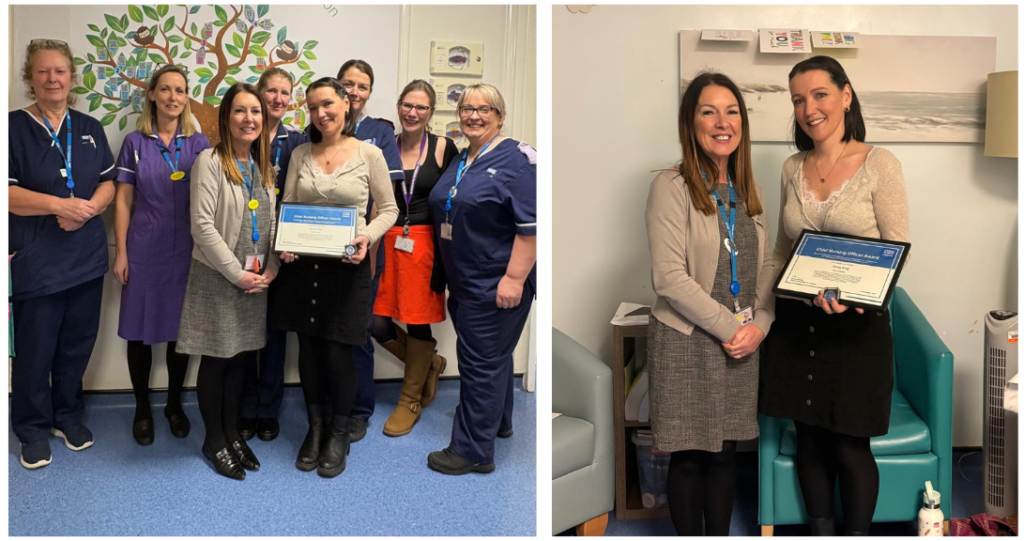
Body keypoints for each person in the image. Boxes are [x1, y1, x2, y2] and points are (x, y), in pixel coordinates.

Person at [759, 56, 909, 536]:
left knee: (849, 444)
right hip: (797, 326)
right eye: (798, 100)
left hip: (857, 328)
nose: (809, 109)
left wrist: (856, 299)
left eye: (819, 94)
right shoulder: (791, 167)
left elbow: (897, 249)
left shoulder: (880, 164)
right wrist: (761, 310)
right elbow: (781, 250)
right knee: (808, 438)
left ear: (845, 96)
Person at [644, 71, 774, 536]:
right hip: (688, 341)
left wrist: (759, 325)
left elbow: (766, 271)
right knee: (690, 456)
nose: (723, 122)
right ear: (690, 122)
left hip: (742, 343)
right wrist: (732, 328)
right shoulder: (671, 185)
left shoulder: (748, 191)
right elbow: (668, 277)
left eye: (732, 111)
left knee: (725, 453)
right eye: (709, 111)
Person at [272, 77, 398, 477]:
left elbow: (389, 209)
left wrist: (367, 237)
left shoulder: (369, 154)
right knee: (309, 350)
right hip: (303, 268)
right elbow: (289, 204)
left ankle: (339, 432)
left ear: (346, 103)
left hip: (347, 267)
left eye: (327, 103)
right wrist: (284, 242)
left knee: (338, 352)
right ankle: (315, 428)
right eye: (312, 107)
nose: (320, 113)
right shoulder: (300, 154)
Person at [9, 39, 116, 469]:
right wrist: (60, 206)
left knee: (76, 345)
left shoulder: (89, 126)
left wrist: (89, 209)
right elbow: (8, 194)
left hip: (86, 258)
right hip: (37, 261)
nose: (52, 79)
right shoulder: (12, 128)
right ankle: (32, 429)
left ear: (72, 77)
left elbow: (109, 181)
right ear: (30, 78)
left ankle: (67, 416)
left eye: (60, 71)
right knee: (36, 350)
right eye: (43, 71)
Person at [426, 83, 536, 475]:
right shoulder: (463, 158)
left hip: (495, 282)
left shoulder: (520, 161)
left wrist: (514, 279)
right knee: (491, 357)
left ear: (500, 116)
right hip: (465, 279)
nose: (474, 116)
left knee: (479, 364)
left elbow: (531, 228)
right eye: (466, 109)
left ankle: (472, 450)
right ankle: (499, 421)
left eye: (484, 109)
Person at [175, 83, 280, 481]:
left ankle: (233, 432)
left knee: (241, 358)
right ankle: (214, 439)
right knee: (217, 359)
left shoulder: (263, 166)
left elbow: (272, 225)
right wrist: (237, 274)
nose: (248, 119)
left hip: (255, 279)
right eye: (240, 110)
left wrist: (272, 268)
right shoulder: (210, 161)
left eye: (255, 111)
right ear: (226, 117)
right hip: (219, 276)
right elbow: (201, 226)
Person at [113, 64, 211, 446]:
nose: (173, 97)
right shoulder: (134, 143)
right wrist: (121, 252)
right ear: (152, 94)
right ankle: (141, 408)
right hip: (143, 249)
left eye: (180, 90)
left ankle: (173, 405)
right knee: (140, 333)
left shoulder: (199, 143)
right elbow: (123, 201)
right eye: (166, 89)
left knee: (179, 334)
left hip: (188, 250)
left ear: (186, 97)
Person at [371, 80, 458, 437]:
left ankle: (410, 399)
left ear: (431, 112)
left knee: (417, 320)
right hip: (386, 238)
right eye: (407, 105)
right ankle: (429, 364)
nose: (412, 112)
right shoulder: (385, 147)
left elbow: (454, 198)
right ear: (398, 106)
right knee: (374, 321)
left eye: (421, 107)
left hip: (423, 244)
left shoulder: (443, 148)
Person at [336, 59, 410, 442]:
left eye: (362, 86)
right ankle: (333, 405)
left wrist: (369, 244)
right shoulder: (322, 125)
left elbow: (386, 200)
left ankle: (360, 409)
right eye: (348, 83)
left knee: (359, 330)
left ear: (369, 92)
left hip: (365, 248)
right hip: (324, 251)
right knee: (327, 332)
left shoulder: (379, 132)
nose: (354, 91)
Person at [237, 67, 309, 443]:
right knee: (244, 327)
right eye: (271, 91)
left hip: (282, 247)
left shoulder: (297, 141)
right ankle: (244, 405)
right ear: (258, 93)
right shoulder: (240, 134)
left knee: (274, 333)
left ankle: (267, 408)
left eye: (285, 92)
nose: (278, 98)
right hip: (243, 245)